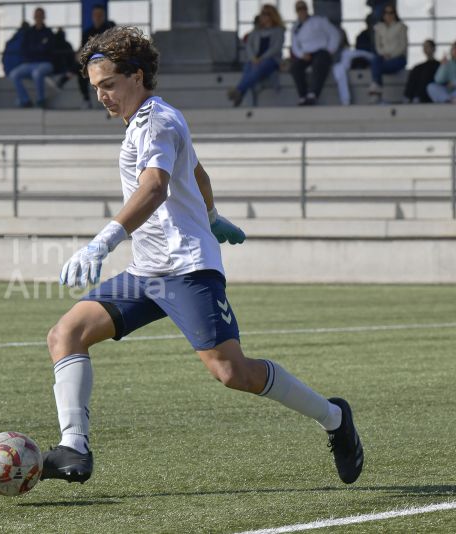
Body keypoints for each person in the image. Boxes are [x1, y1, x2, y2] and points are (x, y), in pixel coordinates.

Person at [39, 26, 363, 488]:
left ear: (137, 75)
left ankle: (334, 417)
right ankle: (75, 446)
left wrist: (103, 241)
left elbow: (154, 187)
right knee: (66, 333)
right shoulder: (146, 122)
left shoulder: (156, 120)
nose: (102, 97)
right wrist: (211, 214)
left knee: (233, 373)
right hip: (147, 270)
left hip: (187, 268)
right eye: (95, 88)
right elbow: (195, 168)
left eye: (108, 84)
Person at [227, 4, 284, 107]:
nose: (263, 16)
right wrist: (253, 58)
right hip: (255, 60)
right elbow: (249, 45)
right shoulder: (256, 31)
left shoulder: (279, 31)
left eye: (266, 14)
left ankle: (239, 91)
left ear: (272, 16)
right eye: (262, 14)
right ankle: (239, 94)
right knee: (248, 68)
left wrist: (261, 58)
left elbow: (275, 48)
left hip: (271, 60)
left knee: (259, 67)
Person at [289, 1, 341, 106]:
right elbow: (294, 45)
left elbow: (335, 34)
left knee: (319, 64)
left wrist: (330, 50)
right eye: (299, 9)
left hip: (321, 51)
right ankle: (302, 96)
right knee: (295, 67)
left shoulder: (319, 21)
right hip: (306, 54)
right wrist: (301, 54)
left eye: (303, 8)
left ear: (307, 9)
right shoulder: (295, 27)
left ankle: (313, 94)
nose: (301, 11)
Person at [8, 7, 56, 108]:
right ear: (34, 17)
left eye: (40, 15)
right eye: (36, 15)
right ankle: (25, 100)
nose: (38, 17)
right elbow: (25, 49)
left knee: (37, 73)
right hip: (30, 63)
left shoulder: (49, 32)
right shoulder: (29, 33)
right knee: (14, 74)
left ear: (44, 17)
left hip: (45, 63)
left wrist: (36, 49)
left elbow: (48, 49)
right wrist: (40, 47)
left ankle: (40, 100)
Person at [331, 16, 375, 105]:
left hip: (358, 58)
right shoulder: (361, 36)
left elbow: (351, 49)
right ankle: (345, 100)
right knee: (339, 69)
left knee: (347, 55)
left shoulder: (377, 33)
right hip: (337, 63)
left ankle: (346, 100)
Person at [368, 4, 407, 103]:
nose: (388, 15)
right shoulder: (378, 28)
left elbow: (403, 46)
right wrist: (384, 55)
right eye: (386, 13)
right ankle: (377, 87)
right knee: (375, 60)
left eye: (391, 13)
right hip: (383, 58)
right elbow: (378, 46)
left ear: (395, 14)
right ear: (383, 15)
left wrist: (391, 55)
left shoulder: (401, 27)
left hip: (398, 58)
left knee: (377, 67)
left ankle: (376, 88)